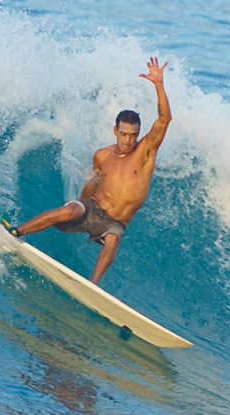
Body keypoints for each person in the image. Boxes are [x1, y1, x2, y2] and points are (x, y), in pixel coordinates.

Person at [10, 57, 171, 284]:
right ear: (115, 130)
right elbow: (93, 184)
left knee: (114, 239)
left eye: (133, 135)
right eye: (123, 134)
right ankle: (17, 232)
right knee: (67, 211)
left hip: (115, 221)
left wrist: (158, 84)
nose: (128, 140)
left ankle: (92, 287)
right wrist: (77, 206)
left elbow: (165, 120)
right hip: (93, 207)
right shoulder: (102, 155)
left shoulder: (145, 152)